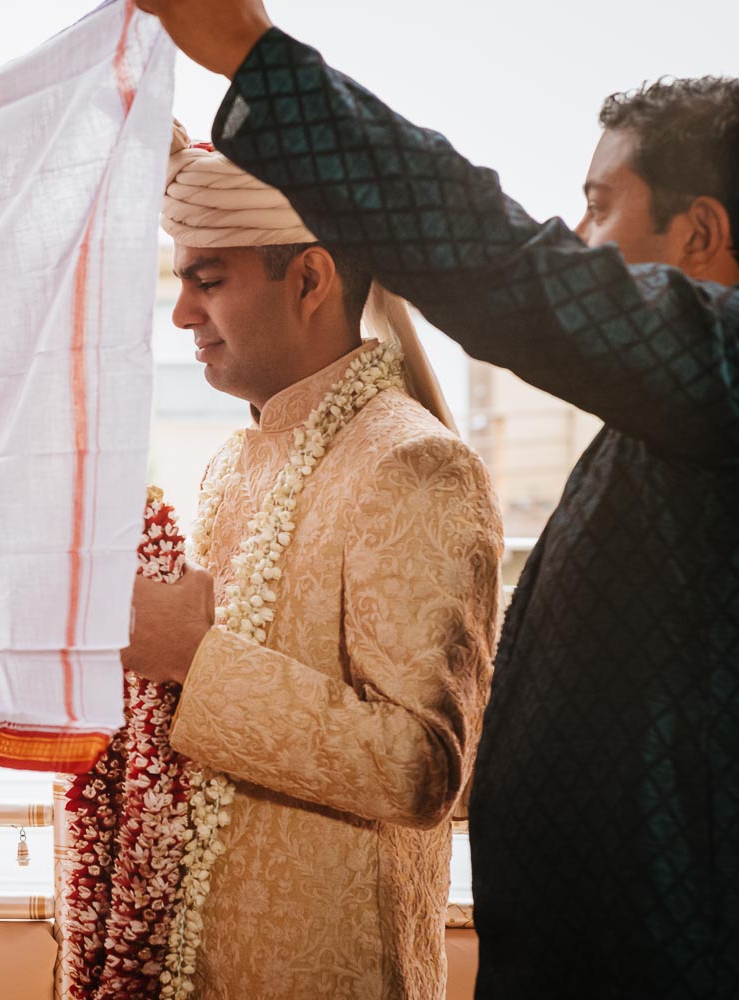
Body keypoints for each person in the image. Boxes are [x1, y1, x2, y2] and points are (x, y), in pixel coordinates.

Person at [136, 1, 739, 994]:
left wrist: (254, 59)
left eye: (599, 206)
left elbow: (503, 265)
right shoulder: (665, 434)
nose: (577, 239)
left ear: (703, 231)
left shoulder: (432, 459)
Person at [121, 126, 501, 998]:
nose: (181, 312)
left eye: (207, 280)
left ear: (311, 279)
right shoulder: (232, 460)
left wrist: (193, 656)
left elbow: (420, 769)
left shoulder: (414, 464)